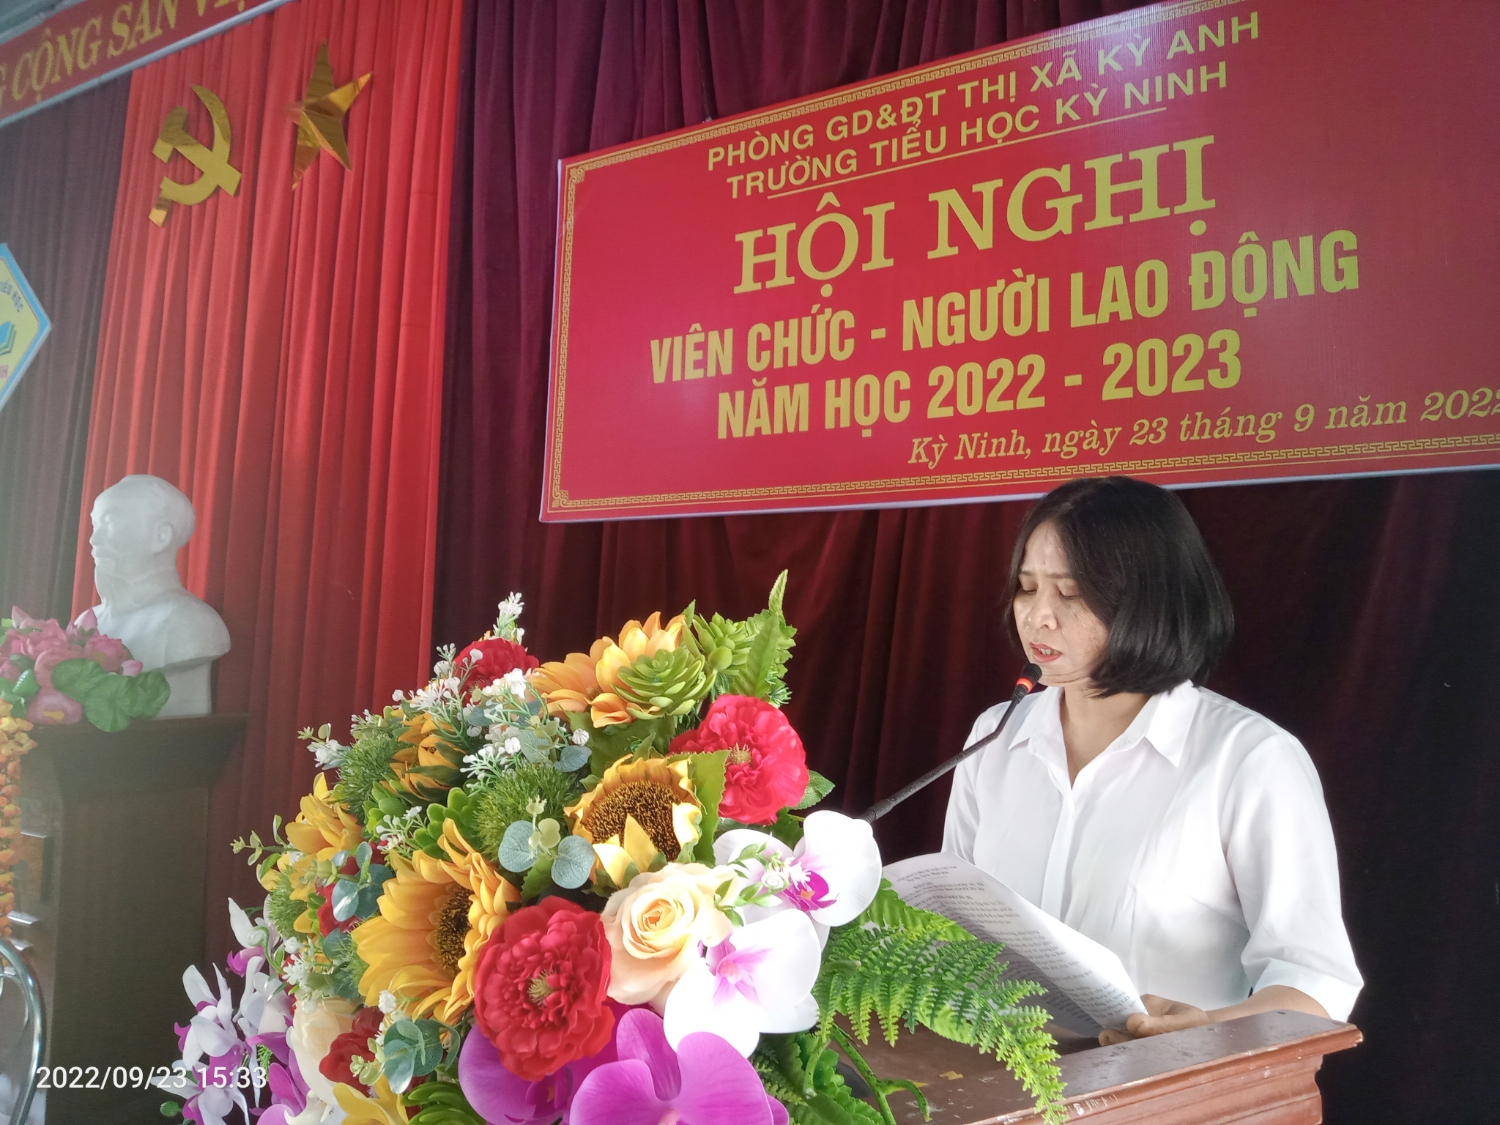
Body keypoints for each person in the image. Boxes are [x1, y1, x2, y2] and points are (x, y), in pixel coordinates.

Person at [943, 476, 1361, 1044]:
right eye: (1026, 587)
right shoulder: (995, 736)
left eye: (1071, 593)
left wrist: (1204, 1030)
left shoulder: (1248, 759)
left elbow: (1316, 983)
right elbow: (946, 929)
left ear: (1149, 600)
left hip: (1165, 1082)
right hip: (991, 1075)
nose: (1038, 616)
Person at [79, 474, 231, 717]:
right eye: (96, 525)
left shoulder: (190, 621)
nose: (94, 539)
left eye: (112, 522)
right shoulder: (87, 623)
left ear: (161, 537)